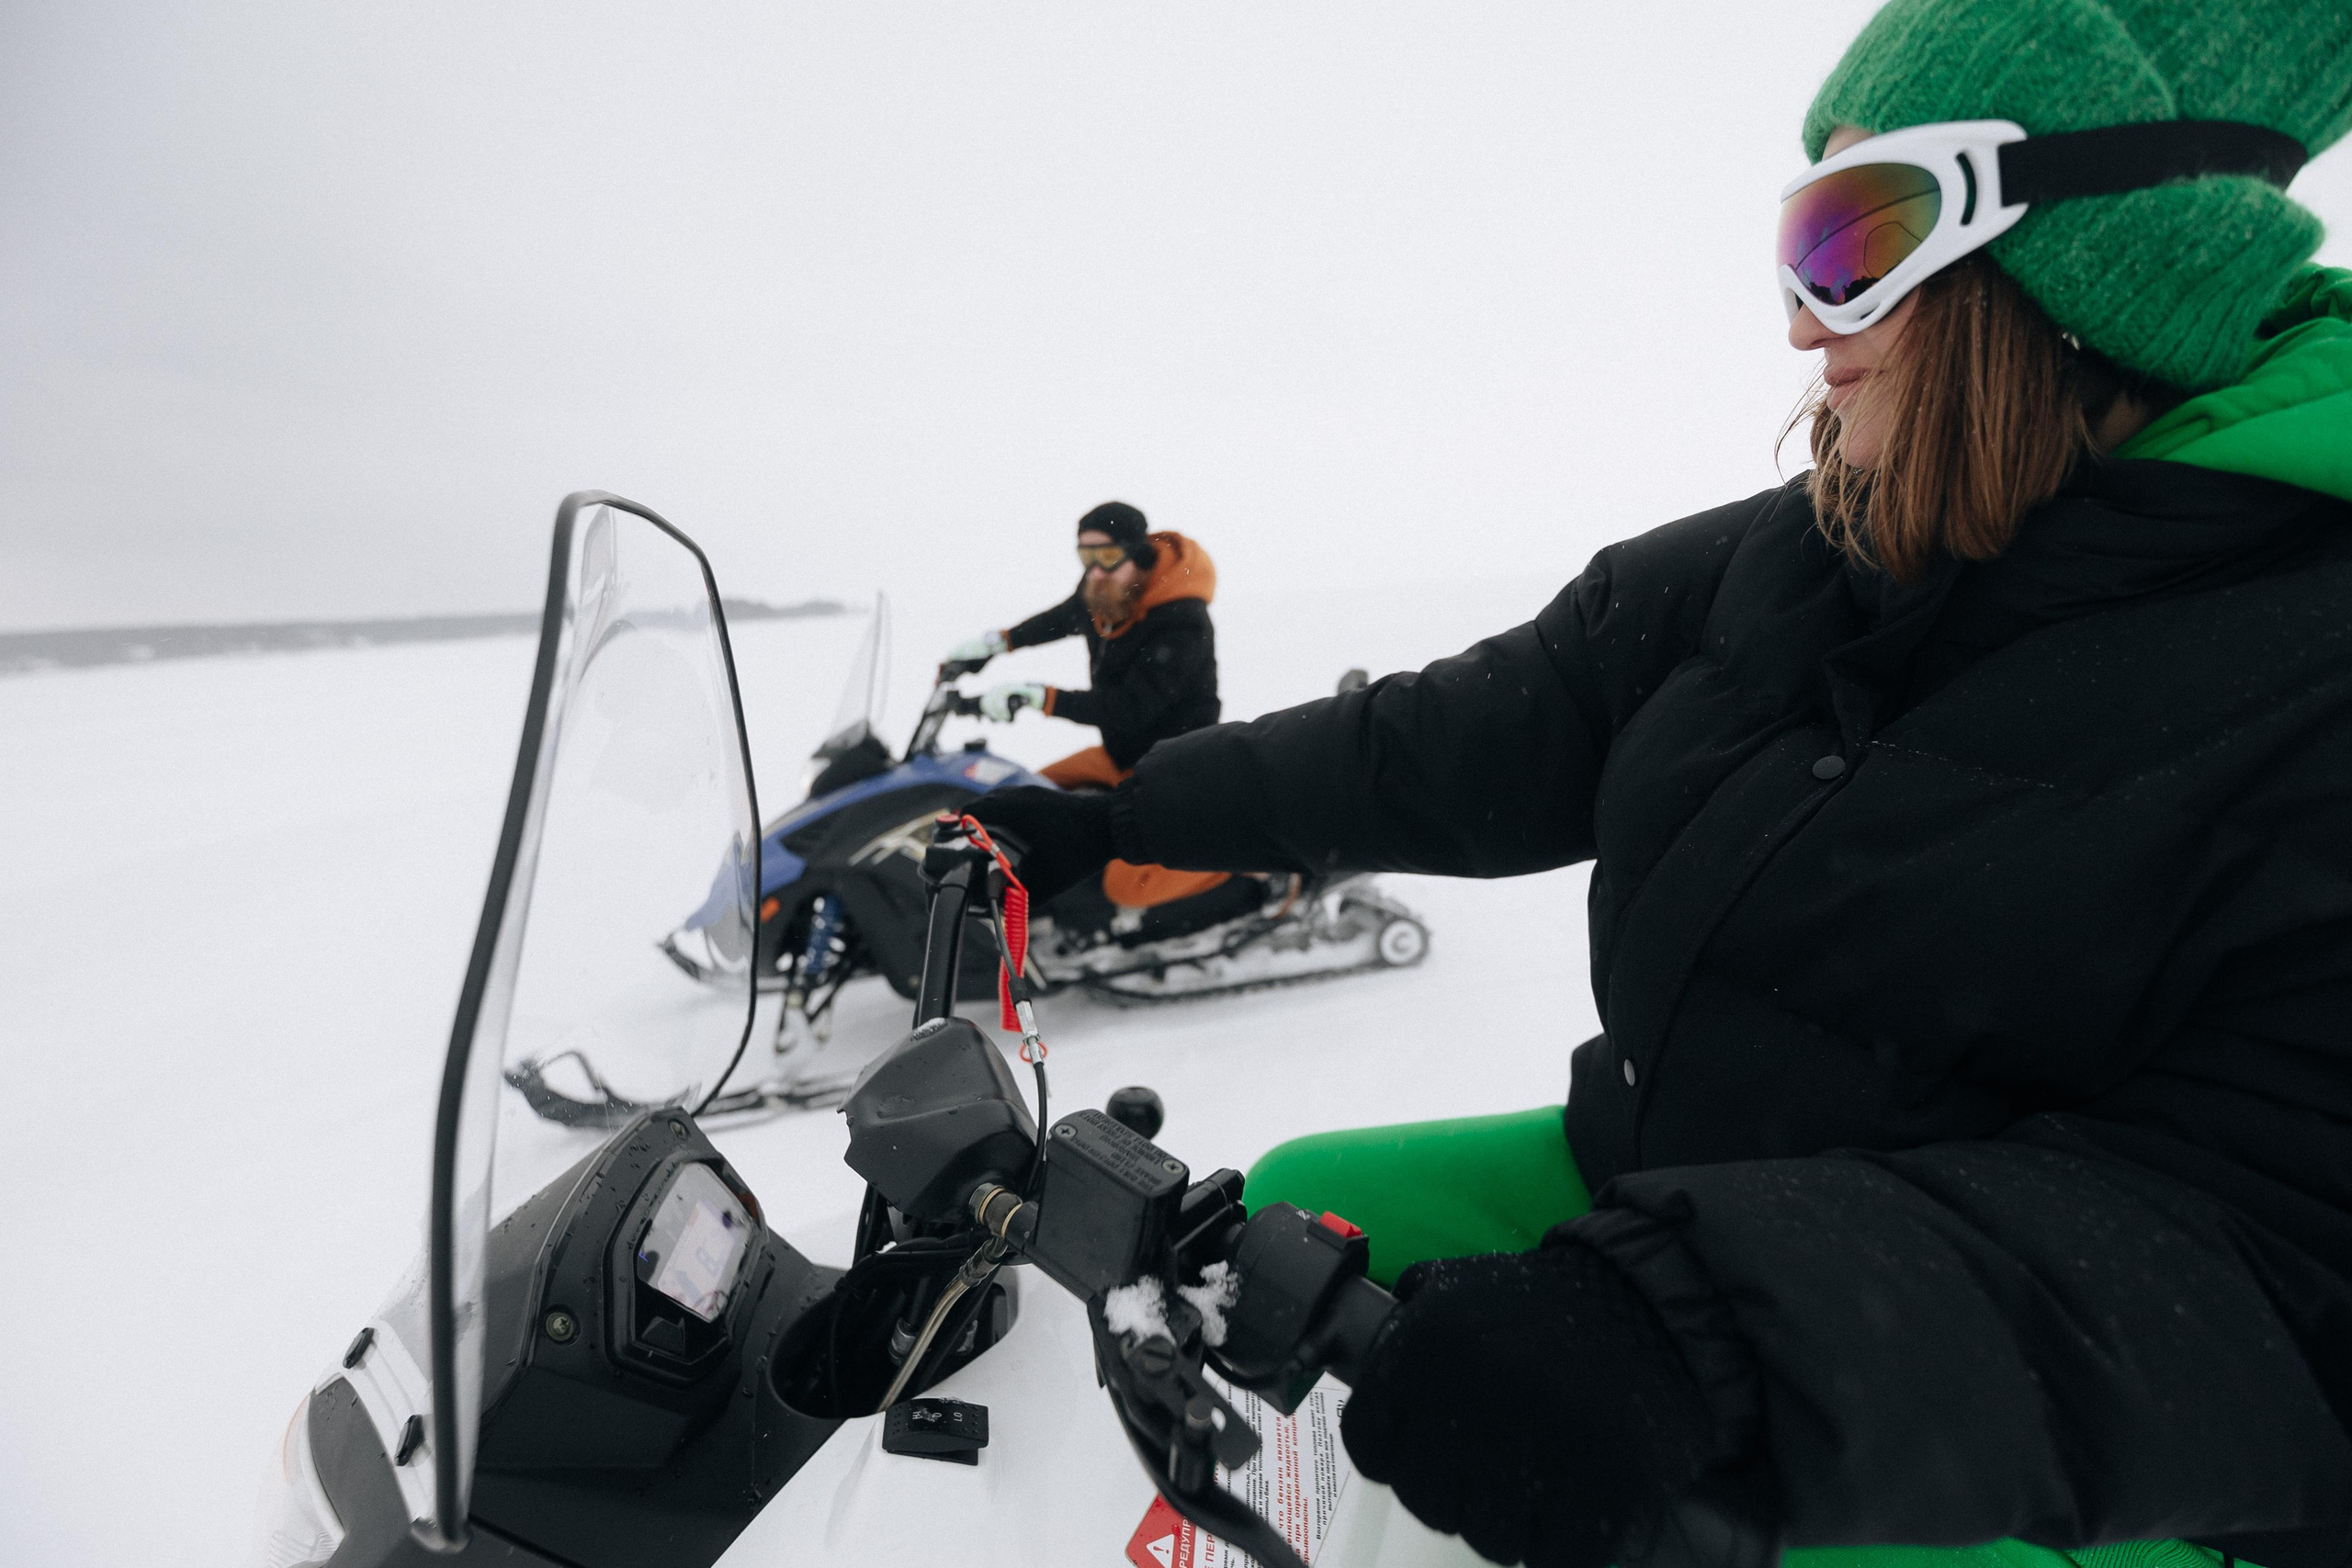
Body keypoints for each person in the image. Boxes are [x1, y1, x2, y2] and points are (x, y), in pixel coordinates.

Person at [970, 3, 2352, 1566]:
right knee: (1300, 1213)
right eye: (1797, 238)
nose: (1799, 322)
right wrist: (1119, 819)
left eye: (1857, 237)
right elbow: (1467, 734)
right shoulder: (1812, 550)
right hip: (1676, 1189)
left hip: (2035, 1418)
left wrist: (1705, 1335)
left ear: (2082, 269)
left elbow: (2275, 1254)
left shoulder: (2307, 664)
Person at [948, 501, 1259, 936]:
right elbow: (1064, 616)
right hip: (1118, 754)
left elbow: (1131, 708)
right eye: (1085, 556)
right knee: (1020, 796)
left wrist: (1042, 698)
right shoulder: (1108, 589)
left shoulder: (1181, 620)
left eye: (1107, 556)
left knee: (1128, 884)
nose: (1095, 570)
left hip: (1173, 763)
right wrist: (1000, 643)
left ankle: (1245, 865)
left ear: (1137, 553)